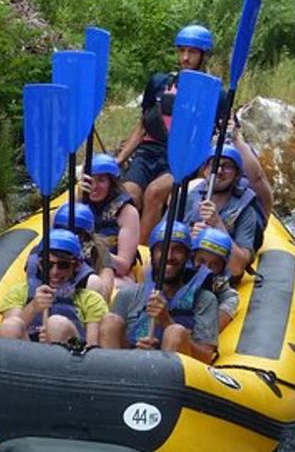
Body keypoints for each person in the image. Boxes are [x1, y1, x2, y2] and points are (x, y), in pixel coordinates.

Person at [114, 24, 228, 244]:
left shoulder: (216, 95)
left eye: (192, 52)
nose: (185, 57)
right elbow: (142, 126)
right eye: (182, 50)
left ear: (203, 56)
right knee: (129, 194)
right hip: (148, 153)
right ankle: (121, 245)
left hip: (184, 157)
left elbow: (220, 136)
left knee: (154, 192)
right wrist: (119, 159)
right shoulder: (159, 83)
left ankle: (144, 252)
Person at [98, 221, 219, 363]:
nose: (169, 257)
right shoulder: (128, 295)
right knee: (110, 321)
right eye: (162, 249)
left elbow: (206, 357)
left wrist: (167, 322)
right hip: (129, 367)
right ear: (152, 253)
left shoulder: (205, 299)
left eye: (177, 250)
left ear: (187, 257)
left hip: (171, 374)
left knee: (175, 332)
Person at [0, 229, 108, 344]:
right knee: (10, 326)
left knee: (56, 325)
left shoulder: (91, 300)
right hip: (27, 354)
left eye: (63, 265)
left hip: (69, 357)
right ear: (39, 264)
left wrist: (57, 335)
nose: (54, 272)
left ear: (76, 266)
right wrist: (33, 307)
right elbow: (8, 329)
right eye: (47, 264)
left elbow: (92, 348)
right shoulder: (19, 292)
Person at [183, 143, 267, 279]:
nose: (219, 170)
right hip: (185, 273)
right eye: (214, 164)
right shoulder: (190, 197)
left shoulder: (246, 210)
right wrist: (187, 238)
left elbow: (237, 268)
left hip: (218, 281)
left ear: (237, 175)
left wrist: (217, 224)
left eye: (227, 166)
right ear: (205, 170)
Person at [82, 154, 140, 290]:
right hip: (79, 271)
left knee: (97, 284)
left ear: (112, 184)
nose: (94, 186)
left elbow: (124, 266)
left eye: (101, 180)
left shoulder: (127, 212)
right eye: (91, 180)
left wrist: (96, 250)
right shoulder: (77, 205)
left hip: (116, 275)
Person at [49, 201, 116, 300]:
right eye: (62, 230)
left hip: (82, 300)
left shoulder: (98, 249)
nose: (68, 237)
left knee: (95, 283)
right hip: (49, 298)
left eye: (77, 233)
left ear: (86, 236)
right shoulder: (45, 248)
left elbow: (105, 290)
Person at [192, 227, 240, 331]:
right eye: (201, 261)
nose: (205, 269)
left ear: (222, 269)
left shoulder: (229, 297)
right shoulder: (175, 277)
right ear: (193, 258)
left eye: (214, 265)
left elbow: (208, 332)